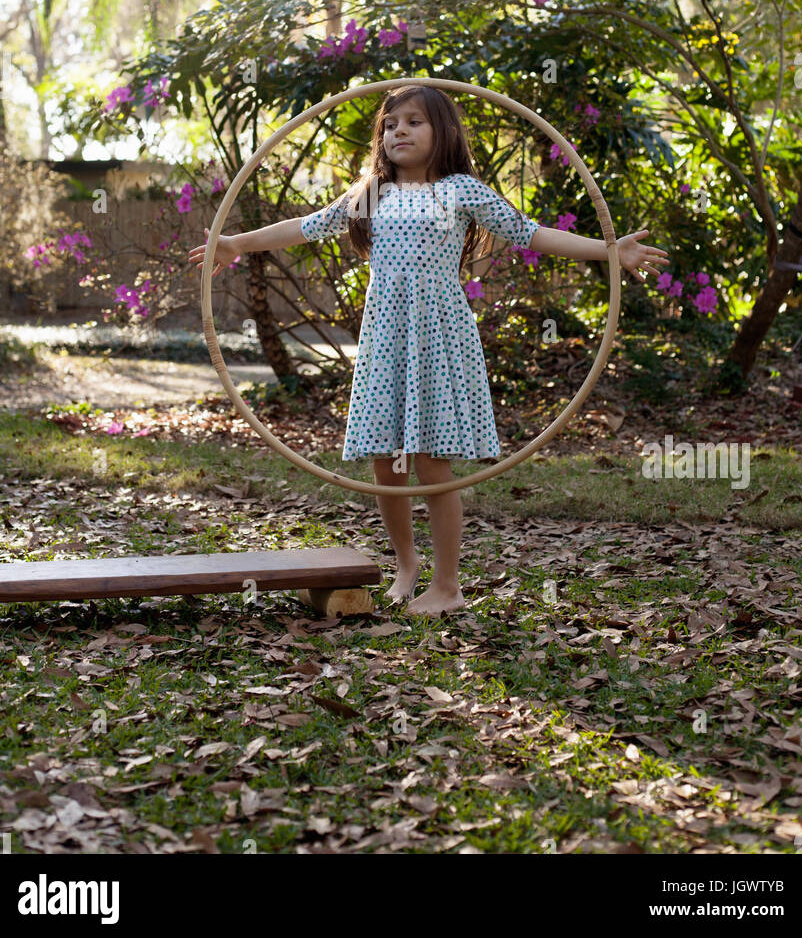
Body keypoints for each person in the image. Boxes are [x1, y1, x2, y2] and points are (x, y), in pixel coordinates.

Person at [189, 84, 669, 617]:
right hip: (384, 340)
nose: (399, 131)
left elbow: (530, 234)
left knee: (433, 465)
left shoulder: (461, 190)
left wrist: (608, 250)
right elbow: (304, 228)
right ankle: (406, 565)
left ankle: (447, 586)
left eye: (414, 121)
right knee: (385, 467)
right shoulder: (373, 192)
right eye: (391, 123)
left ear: (443, 132)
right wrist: (234, 242)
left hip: (439, 340)